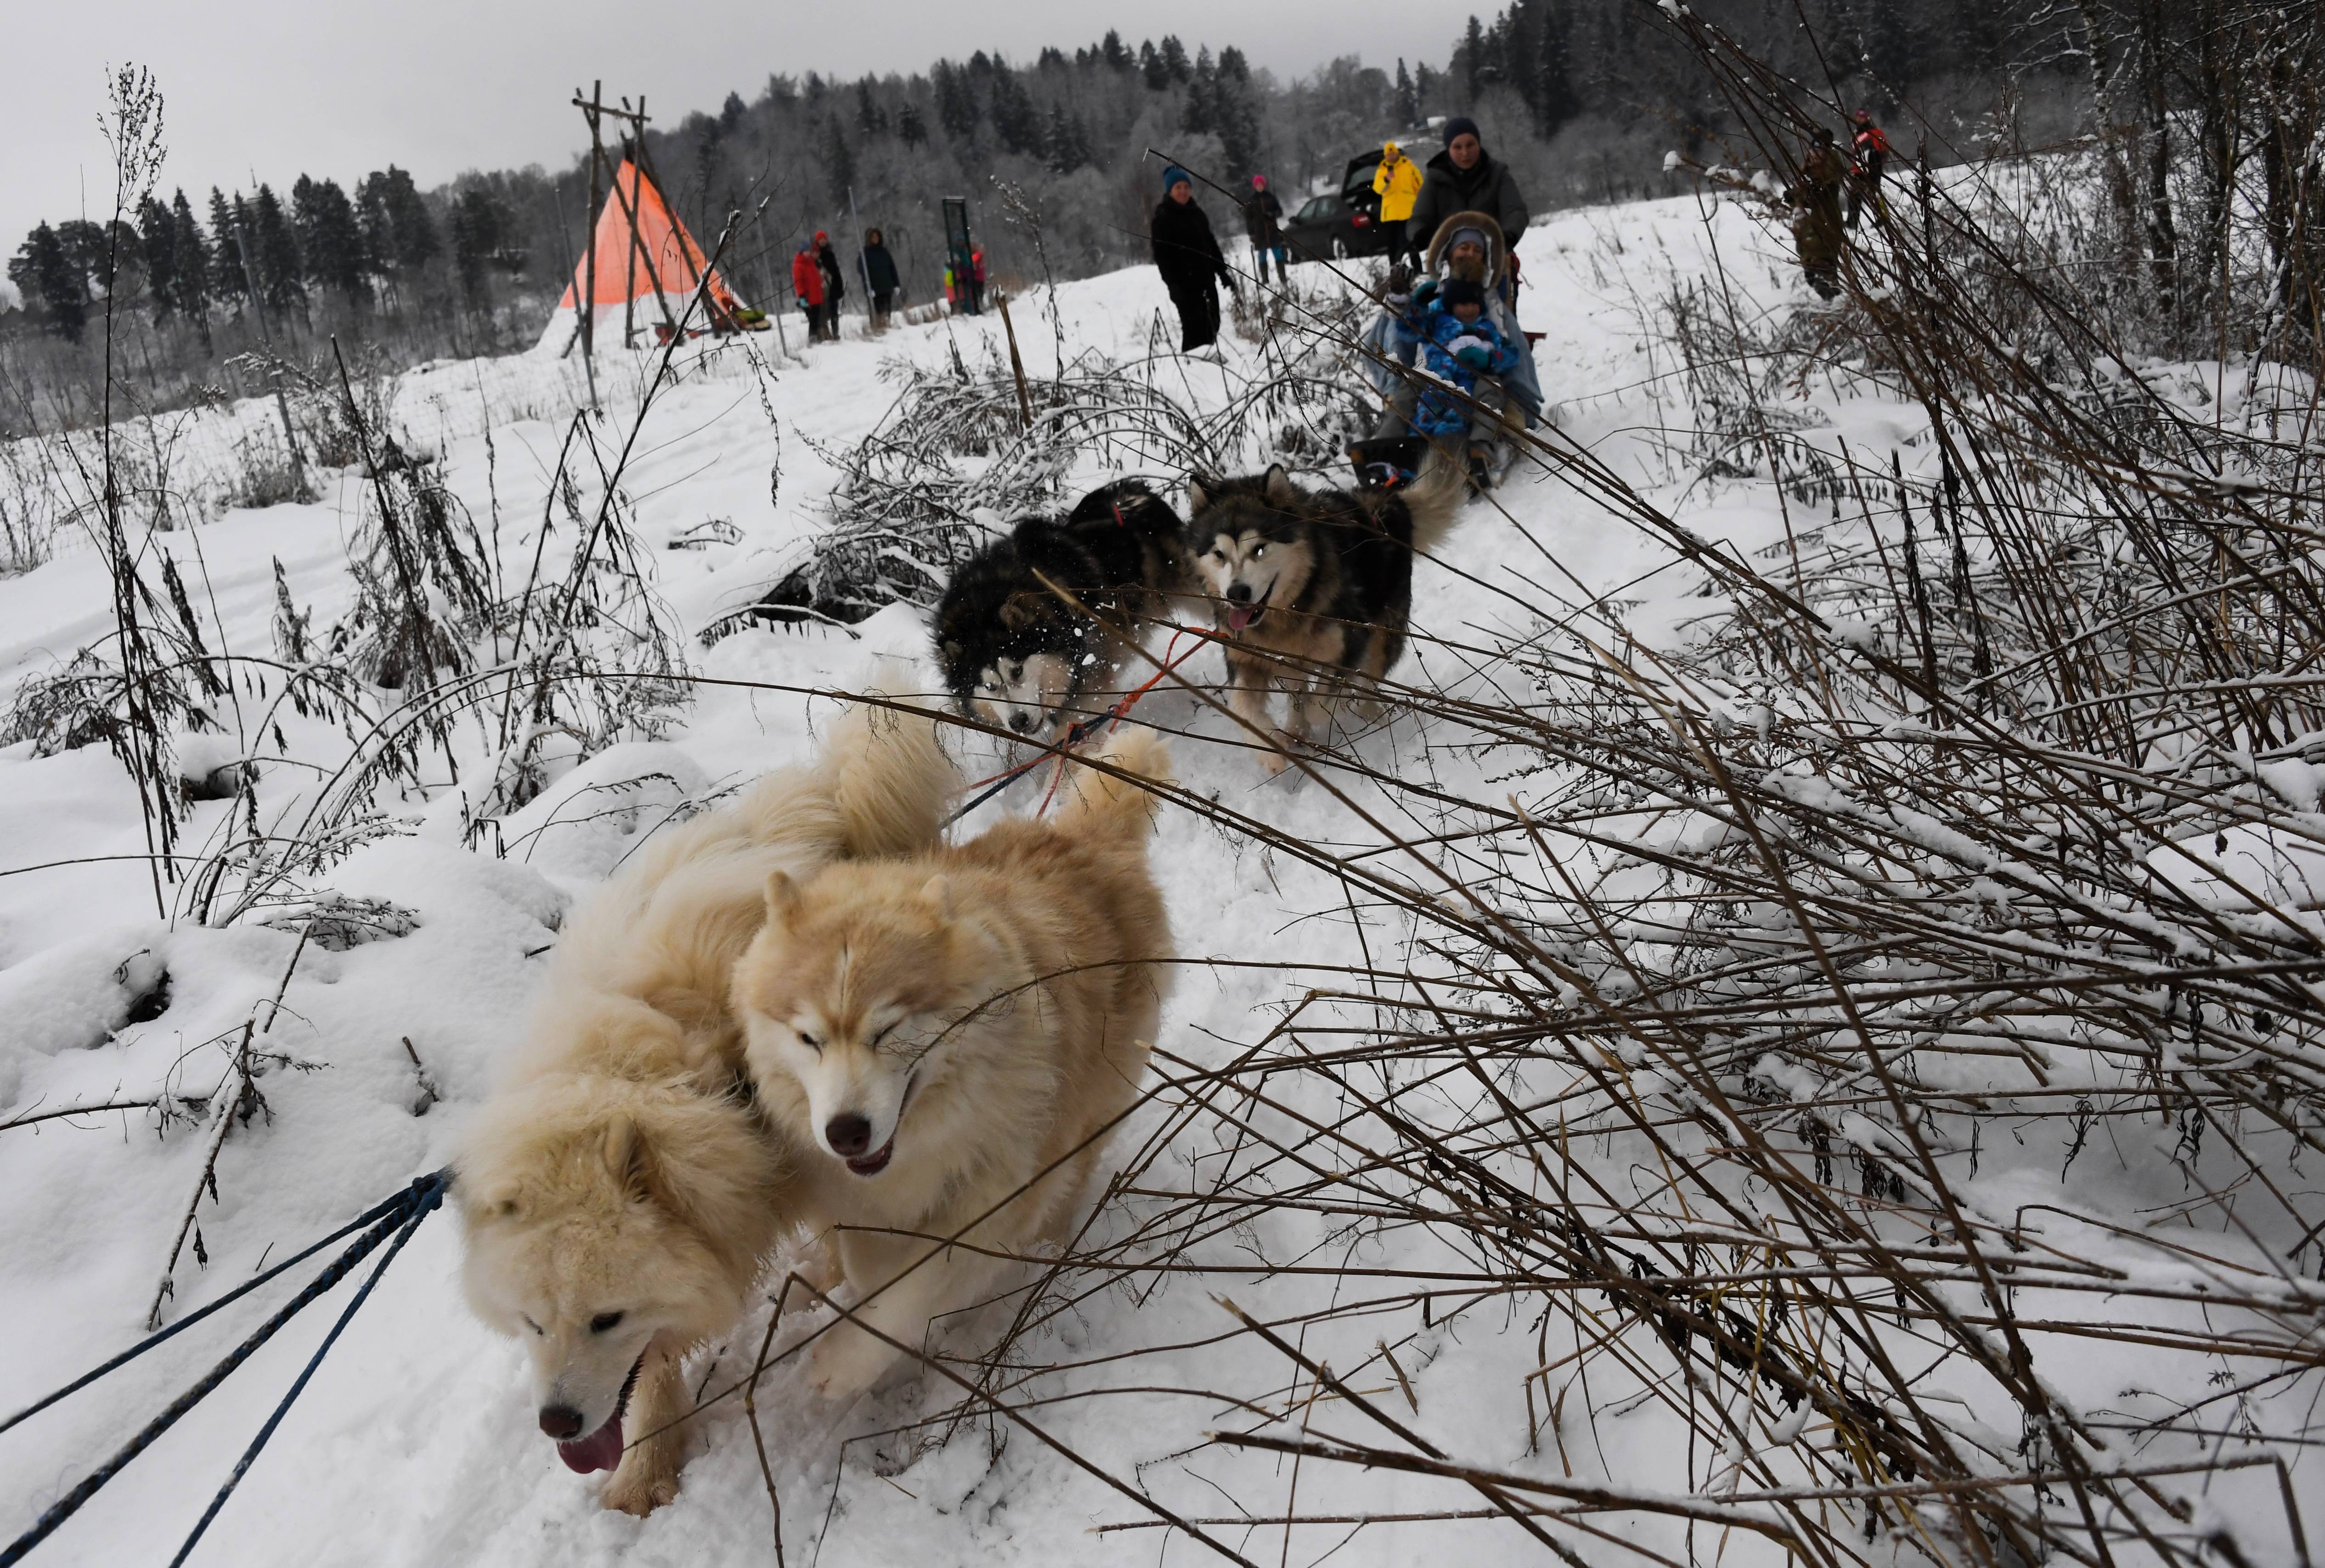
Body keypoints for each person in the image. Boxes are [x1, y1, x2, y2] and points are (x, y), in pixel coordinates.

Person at [1392, 276, 1518, 488]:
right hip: (1438, 379)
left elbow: (1511, 353)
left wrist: (1490, 358)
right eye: (1463, 304)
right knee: (1422, 406)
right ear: (1452, 305)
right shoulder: (1436, 322)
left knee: (1488, 395)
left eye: (1474, 304)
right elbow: (1408, 329)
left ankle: (1480, 446)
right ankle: (1402, 450)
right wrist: (1416, 305)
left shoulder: (1487, 328)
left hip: (1473, 380)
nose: (1469, 309)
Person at [1405, 117, 1528, 261]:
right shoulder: (1434, 180)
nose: (1465, 153)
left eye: (1471, 145)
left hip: (1493, 256)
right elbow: (1418, 219)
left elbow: (1515, 211)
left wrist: (1508, 235)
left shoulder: (1498, 174)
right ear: (1448, 149)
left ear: (1479, 144)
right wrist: (1420, 234)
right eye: (1457, 147)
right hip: (1449, 260)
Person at [1150, 164, 1236, 352]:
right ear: (1170, 190)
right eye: (1178, 187)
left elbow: (1210, 244)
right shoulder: (1163, 218)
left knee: (1213, 324)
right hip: (1184, 287)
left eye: (1186, 187)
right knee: (1194, 331)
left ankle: (1208, 367)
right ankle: (1192, 368)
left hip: (1206, 281)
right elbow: (1162, 257)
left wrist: (1222, 272)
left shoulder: (1197, 213)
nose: (1183, 191)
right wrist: (1173, 286)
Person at [1793, 128, 1849, 299]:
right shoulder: (1809, 163)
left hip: (1825, 224)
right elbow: (1800, 195)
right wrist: (1794, 194)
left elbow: (1832, 179)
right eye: (1815, 147)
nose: (1816, 151)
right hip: (1808, 228)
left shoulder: (1831, 161)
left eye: (1821, 147)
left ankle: (1836, 304)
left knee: (1823, 268)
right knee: (1812, 271)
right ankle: (1833, 302)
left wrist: (1813, 187)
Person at [1373, 140, 1424, 268]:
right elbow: (1377, 189)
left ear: (1397, 154)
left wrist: (1422, 204)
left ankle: (1417, 269)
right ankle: (1395, 269)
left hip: (1408, 211)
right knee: (1393, 245)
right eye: (1388, 155)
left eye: (1393, 154)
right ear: (1385, 156)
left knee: (1411, 242)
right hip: (1391, 214)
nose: (1391, 157)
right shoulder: (1382, 170)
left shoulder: (1409, 167)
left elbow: (1420, 186)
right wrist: (1386, 180)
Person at [1846, 108, 1891, 230]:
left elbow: (1884, 150)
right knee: (1854, 194)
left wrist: (1876, 163)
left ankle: (1883, 218)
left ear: (1867, 118)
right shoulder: (1856, 135)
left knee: (1874, 193)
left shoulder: (1875, 132)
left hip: (1872, 168)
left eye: (1862, 117)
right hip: (1858, 169)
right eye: (1858, 117)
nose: (1860, 119)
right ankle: (1852, 222)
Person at [1243, 175, 1287, 285]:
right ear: (1255, 186)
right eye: (1257, 185)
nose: (1259, 187)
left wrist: (1272, 214)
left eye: (1261, 184)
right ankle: (1265, 280)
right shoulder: (1252, 200)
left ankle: (1283, 278)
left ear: (1264, 185)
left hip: (1272, 231)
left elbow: (1280, 211)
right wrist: (1251, 233)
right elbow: (1248, 218)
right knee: (1262, 256)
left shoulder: (1271, 197)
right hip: (1259, 232)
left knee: (1278, 253)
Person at [863, 227, 901, 327]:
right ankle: (878, 329)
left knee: (887, 311)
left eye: (877, 237)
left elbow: (892, 268)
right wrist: (868, 289)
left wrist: (896, 284)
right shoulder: (865, 253)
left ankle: (887, 327)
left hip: (887, 287)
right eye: (873, 237)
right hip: (875, 290)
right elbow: (864, 273)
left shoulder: (885, 252)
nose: (876, 239)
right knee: (877, 312)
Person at [791, 242, 827, 340]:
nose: (808, 253)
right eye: (806, 251)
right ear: (802, 252)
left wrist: (822, 278)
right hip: (808, 297)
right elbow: (798, 282)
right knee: (812, 318)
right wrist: (802, 296)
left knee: (816, 318)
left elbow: (816, 279)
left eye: (809, 251)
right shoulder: (798, 266)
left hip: (816, 296)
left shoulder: (811, 264)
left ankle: (816, 337)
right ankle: (813, 338)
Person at [814, 230, 846, 330]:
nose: (823, 241)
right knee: (823, 313)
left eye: (824, 239)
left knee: (834, 311)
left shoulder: (831, 254)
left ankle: (836, 332)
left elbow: (836, 272)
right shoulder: (815, 256)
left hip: (833, 287)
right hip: (822, 288)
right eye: (821, 239)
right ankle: (825, 333)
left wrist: (840, 286)